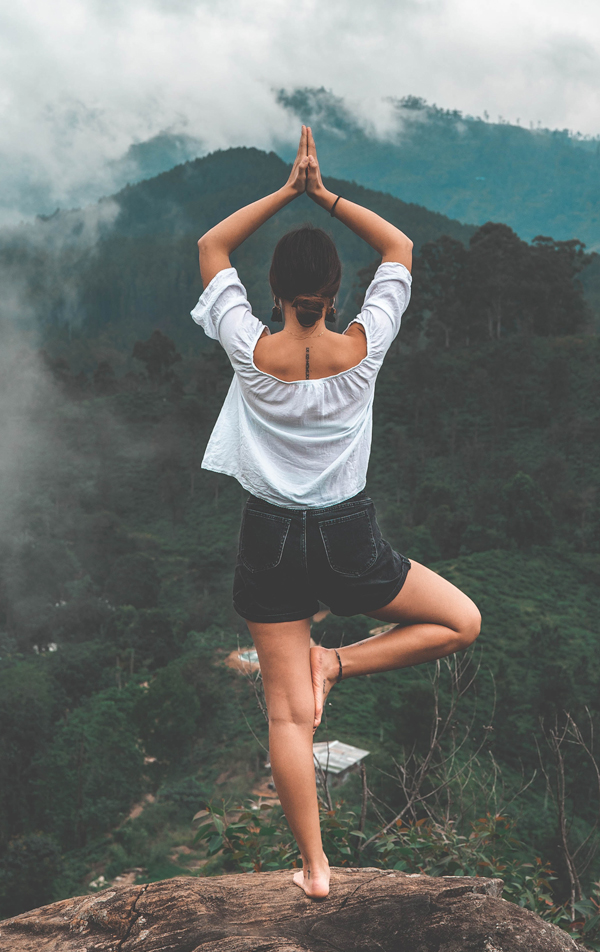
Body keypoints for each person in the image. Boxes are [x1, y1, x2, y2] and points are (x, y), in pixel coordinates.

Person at [191, 126, 481, 900]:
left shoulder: (248, 349)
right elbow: (402, 249)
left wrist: (286, 191)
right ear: (336, 291)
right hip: (350, 539)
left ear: (276, 293)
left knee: (289, 721)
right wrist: (326, 194)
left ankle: (316, 869)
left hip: (269, 541)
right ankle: (342, 662)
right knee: (461, 622)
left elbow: (212, 246)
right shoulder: (366, 343)